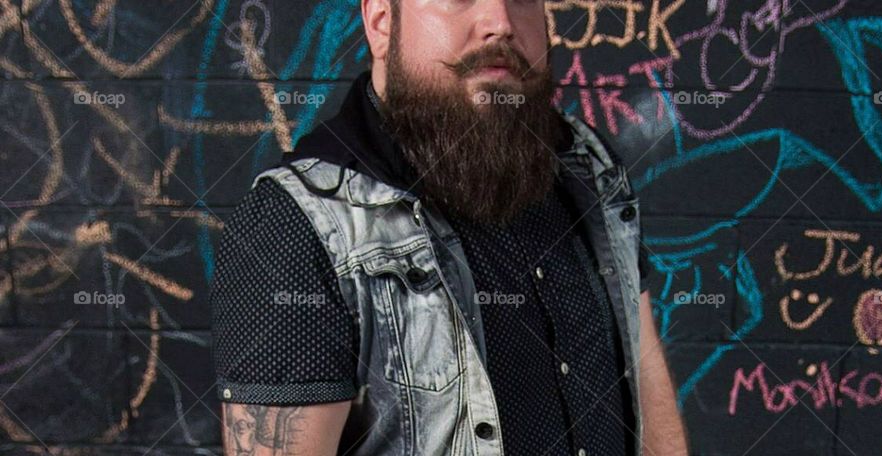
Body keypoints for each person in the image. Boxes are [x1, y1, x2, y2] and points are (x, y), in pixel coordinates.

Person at [210, 0, 688, 453]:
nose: (500, 21)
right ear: (382, 23)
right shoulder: (295, 225)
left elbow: (646, 384)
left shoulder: (589, 170)